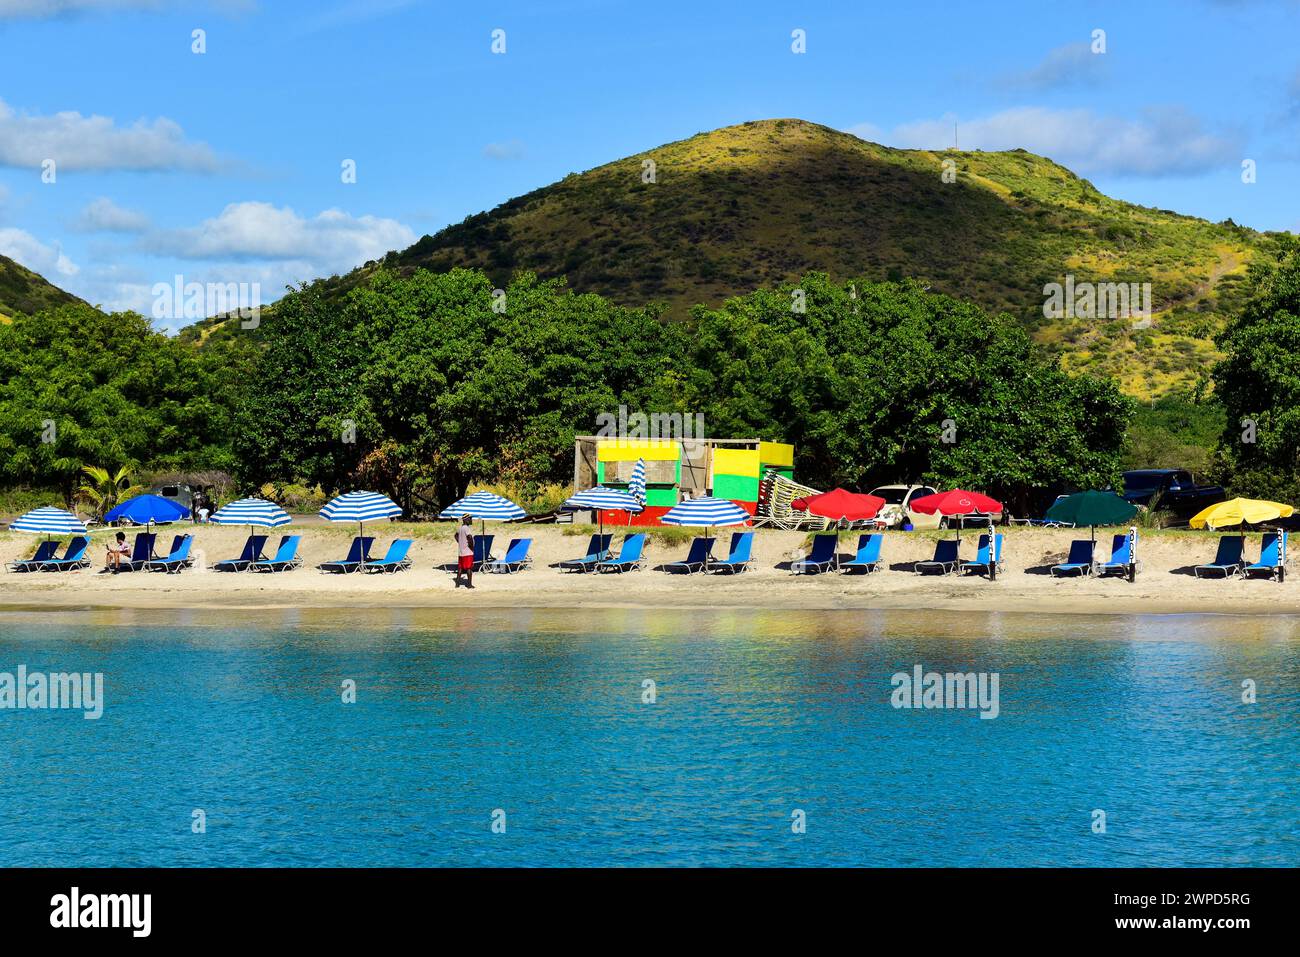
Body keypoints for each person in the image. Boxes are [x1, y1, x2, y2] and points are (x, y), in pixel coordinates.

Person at [453, 515, 475, 589]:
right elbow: (470, 537)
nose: (471, 520)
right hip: (468, 552)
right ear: (466, 520)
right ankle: (469, 585)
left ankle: (457, 584)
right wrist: (471, 547)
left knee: (460, 568)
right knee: (469, 568)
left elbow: (455, 536)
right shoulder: (466, 528)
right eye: (470, 519)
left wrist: (460, 542)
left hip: (461, 552)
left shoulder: (460, 528)